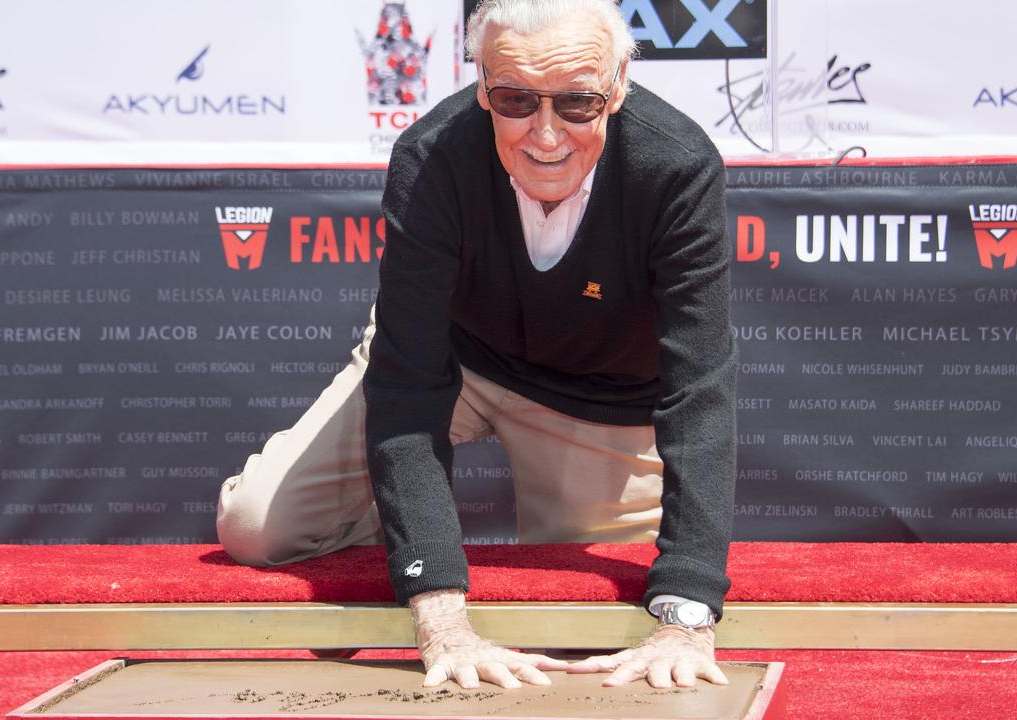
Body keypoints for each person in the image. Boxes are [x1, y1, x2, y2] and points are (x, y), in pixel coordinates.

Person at [216, 0, 736, 691]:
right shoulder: (432, 155)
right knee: (256, 526)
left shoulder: (676, 164)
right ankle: (398, 519)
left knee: (584, 626)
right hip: (452, 359)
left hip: (602, 398)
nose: (544, 134)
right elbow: (406, 386)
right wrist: (439, 618)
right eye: (515, 99)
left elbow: (698, 387)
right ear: (481, 84)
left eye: (578, 103)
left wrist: (687, 618)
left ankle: (405, 514)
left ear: (616, 91)